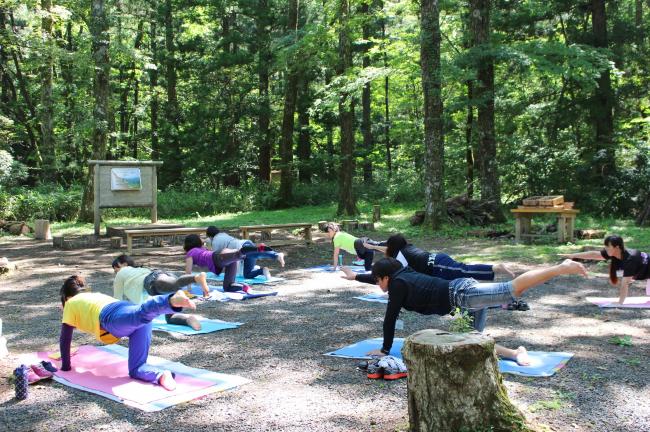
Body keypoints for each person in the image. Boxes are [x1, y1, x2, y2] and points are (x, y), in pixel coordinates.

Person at [343, 257, 587, 364]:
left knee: (512, 289)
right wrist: (355, 277)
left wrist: (385, 350)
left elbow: (390, 318)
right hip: (462, 297)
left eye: (377, 281)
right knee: (472, 340)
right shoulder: (399, 274)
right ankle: (515, 352)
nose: (377, 285)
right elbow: (375, 276)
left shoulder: (397, 284)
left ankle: (559, 268)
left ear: (386, 277)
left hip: (462, 295)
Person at [58, 275, 196, 390]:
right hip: (127, 311)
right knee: (136, 369)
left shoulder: (70, 304)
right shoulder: (92, 295)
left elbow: (65, 339)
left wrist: (65, 367)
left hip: (111, 317)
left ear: (67, 298)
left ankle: (169, 300)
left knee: (141, 313)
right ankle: (161, 375)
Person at [112, 254, 209, 331]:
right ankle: (188, 319)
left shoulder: (123, 272)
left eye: (116, 268)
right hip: (160, 279)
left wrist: (115, 319)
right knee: (170, 317)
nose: (115, 272)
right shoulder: (137, 271)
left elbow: (117, 299)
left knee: (174, 285)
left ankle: (196, 278)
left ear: (124, 264)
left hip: (153, 281)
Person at [364, 233, 515, 280]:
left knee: (464, 271)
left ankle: (495, 268)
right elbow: (387, 248)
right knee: (461, 274)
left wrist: (373, 247)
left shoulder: (401, 254)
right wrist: (373, 247)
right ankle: (493, 270)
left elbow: (387, 250)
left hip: (437, 265)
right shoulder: (405, 248)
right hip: (438, 263)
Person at [560, 234, 649, 304]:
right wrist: (573, 255)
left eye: (607, 246)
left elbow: (625, 283)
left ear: (617, 247)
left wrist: (620, 303)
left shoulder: (631, 258)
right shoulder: (614, 253)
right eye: (605, 246)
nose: (605, 249)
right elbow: (594, 254)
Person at [206, 226, 285, 280]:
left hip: (243, 246)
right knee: (247, 274)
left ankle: (276, 255)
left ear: (209, 236)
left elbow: (216, 260)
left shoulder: (215, 241)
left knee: (255, 254)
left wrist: (216, 273)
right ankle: (262, 270)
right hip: (243, 247)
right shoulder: (222, 234)